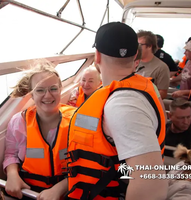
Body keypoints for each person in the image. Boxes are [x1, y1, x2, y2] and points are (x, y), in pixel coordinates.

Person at [65, 22, 168, 200]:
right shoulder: (145, 86)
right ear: (136, 55)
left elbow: (151, 184)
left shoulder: (122, 104)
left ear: (97, 56)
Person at [3, 60, 76, 200]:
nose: (47, 95)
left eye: (53, 89)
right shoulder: (19, 122)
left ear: (61, 89)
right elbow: (11, 154)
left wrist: (60, 189)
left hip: (69, 189)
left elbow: (87, 161)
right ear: (32, 94)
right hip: (29, 190)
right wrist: (12, 174)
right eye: (40, 90)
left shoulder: (77, 119)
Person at [136, 30, 170, 99]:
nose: (136, 47)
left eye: (139, 45)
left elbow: (163, 92)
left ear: (149, 46)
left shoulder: (161, 67)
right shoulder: (131, 62)